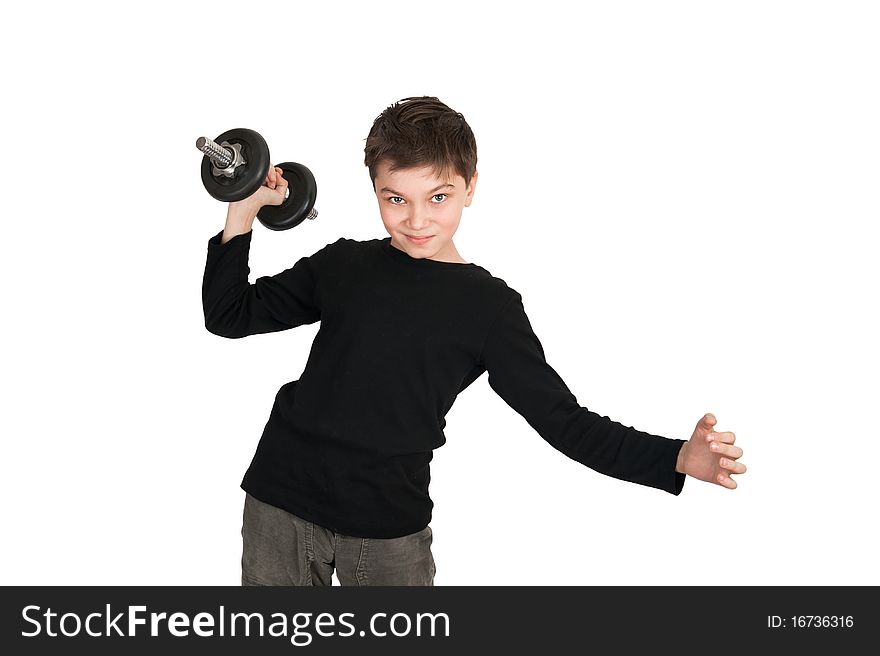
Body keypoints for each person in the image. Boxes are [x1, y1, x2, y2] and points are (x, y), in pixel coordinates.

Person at [201, 96, 747, 587]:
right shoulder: (344, 264)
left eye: (438, 197)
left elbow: (565, 422)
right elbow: (229, 314)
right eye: (396, 199)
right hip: (280, 501)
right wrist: (242, 212)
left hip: (387, 529)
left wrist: (674, 457)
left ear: (471, 187)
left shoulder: (489, 309)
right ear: (375, 191)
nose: (417, 219)